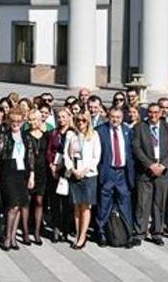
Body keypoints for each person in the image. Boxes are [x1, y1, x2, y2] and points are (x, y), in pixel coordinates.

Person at [132, 102, 168, 245]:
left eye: (156, 112)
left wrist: (162, 165)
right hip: (145, 172)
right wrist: (150, 165)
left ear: (161, 113)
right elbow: (136, 148)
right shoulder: (140, 128)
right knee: (142, 204)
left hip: (162, 172)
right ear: (147, 113)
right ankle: (140, 233)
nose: (153, 115)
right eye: (150, 112)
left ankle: (157, 232)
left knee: (159, 203)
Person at [0, 107, 34, 251]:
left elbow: (30, 157)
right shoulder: (3, 136)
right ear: (9, 121)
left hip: (22, 173)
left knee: (19, 205)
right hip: (8, 171)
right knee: (12, 206)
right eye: (13, 121)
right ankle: (8, 237)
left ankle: (14, 237)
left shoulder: (26, 136)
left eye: (18, 121)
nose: (16, 124)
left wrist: (31, 176)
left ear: (23, 121)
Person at [94, 106, 135, 246]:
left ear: (122, 118)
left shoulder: (128, 131)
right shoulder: (100, 131)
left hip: (123, 173)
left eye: (118, 117)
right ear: (108, 116)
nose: (115, 120)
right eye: (113, 117)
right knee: (104, 205)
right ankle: (101, 233)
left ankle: (128, 235)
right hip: (107, 172)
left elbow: (131, 153)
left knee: (125, 205)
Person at [63, 111, 100, 249]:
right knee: (76, 206)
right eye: (78, 120)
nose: (80, 123)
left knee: (85, 206)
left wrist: (85, 170)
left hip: (88, 175)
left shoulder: (94, 135)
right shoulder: (71, 135)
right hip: (74, 173)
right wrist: (72, 169)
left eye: (83, 120)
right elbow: (66, 155)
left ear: (88, 121)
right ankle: (77, 233)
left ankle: (83, 236)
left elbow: (96, 157)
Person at [46, 108, 74, 244]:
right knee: (55, 202)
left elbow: (74, 153)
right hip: (54, 171)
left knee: (67, 203)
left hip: (67, 171)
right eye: (59, 117)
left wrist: (61, 166)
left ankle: (66, 230)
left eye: (64, 117)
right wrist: (52, 165)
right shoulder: (53, 133)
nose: (61, 119)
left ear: (69, 118)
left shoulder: (73, 133)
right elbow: (50, 150)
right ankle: (56, 229)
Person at [24, 108, 49, 244]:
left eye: (34, 119)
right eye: (30, 119)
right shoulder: (25, 135)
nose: (32, 122)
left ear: (40, 120)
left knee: (39, 201)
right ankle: (26, 232)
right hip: (28, 172)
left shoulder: (46, 136)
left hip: (42, 172)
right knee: (27, 201)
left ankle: (37, 232)